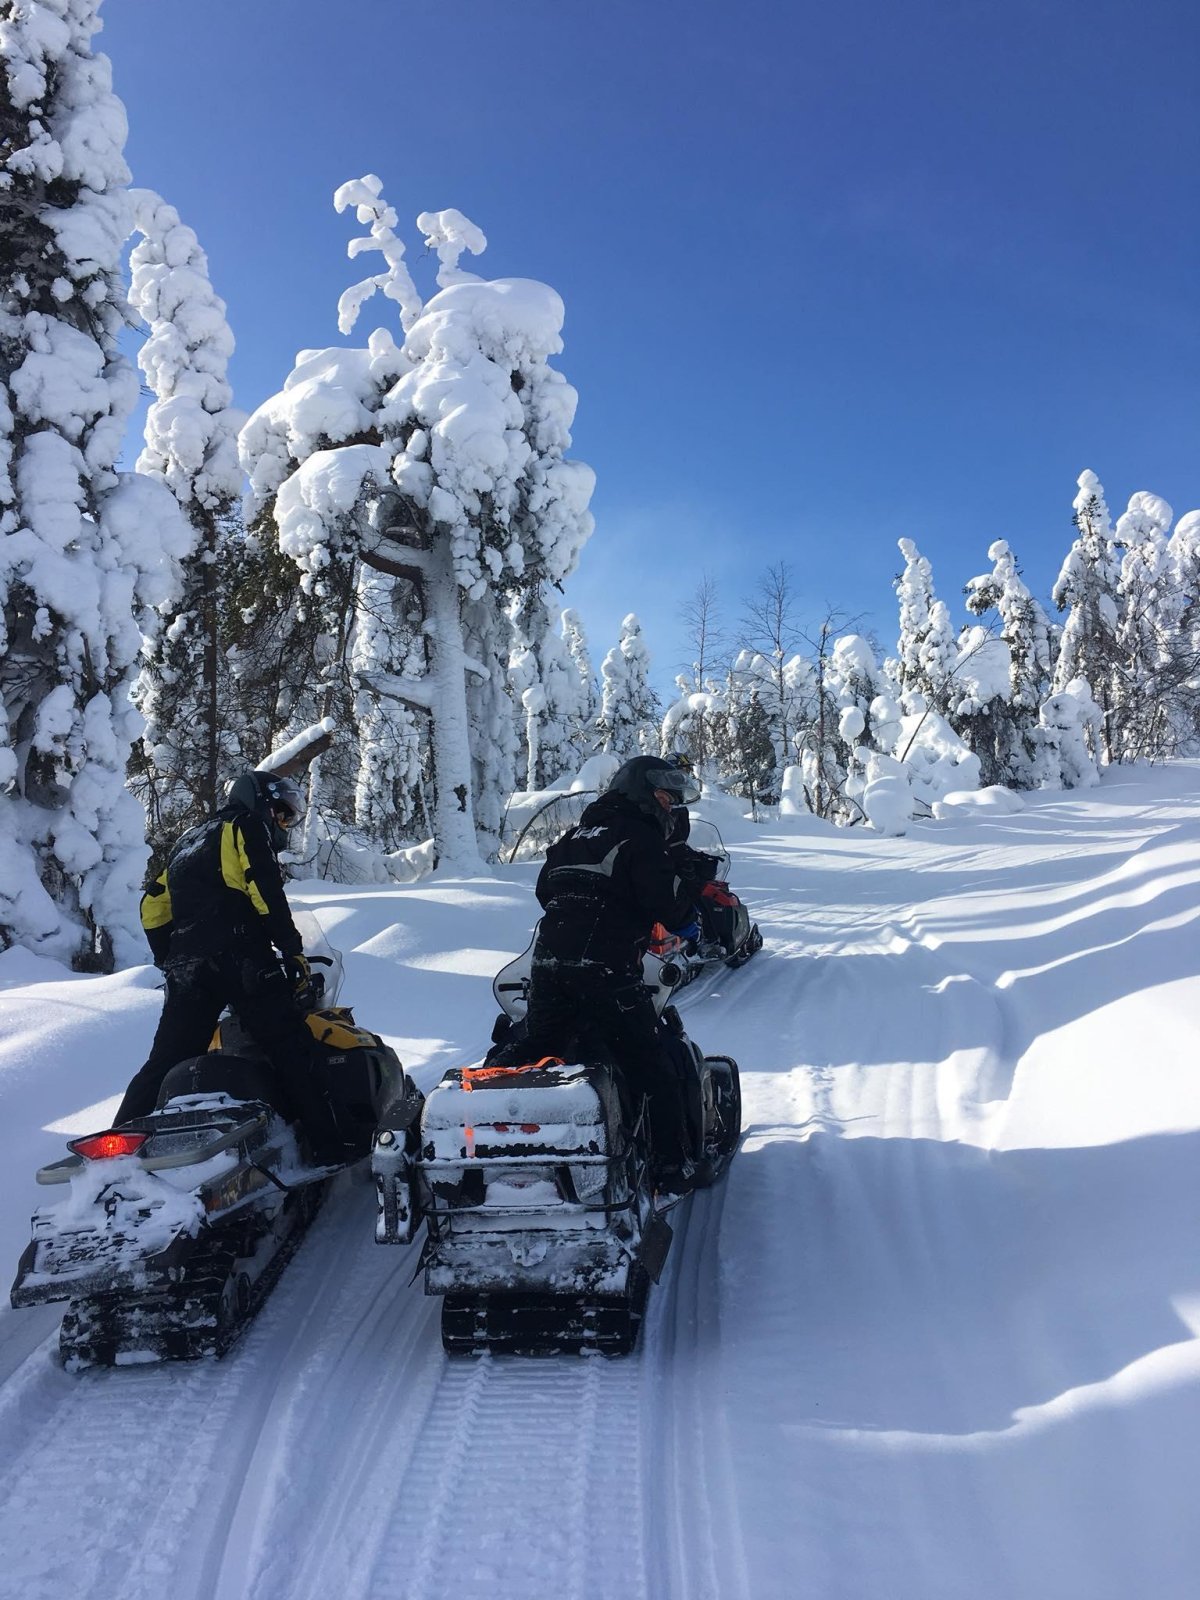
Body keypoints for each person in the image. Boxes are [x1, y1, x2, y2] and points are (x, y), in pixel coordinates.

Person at [115, 770, 344, 1160]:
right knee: (289, 1047)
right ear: (260, 802)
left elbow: (152, 907)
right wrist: (292, 951)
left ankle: (117, 1147)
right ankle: (328, 1147)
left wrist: (170, 958)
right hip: (242, 959)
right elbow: (264, 890)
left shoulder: (189, 840)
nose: (282, 823)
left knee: (166, 1061)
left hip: (188, 969)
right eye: (281, 814)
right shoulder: (245, 825)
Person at [516, 754, 705, 1189]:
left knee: (537, 1050)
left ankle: (503, 1139)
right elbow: (670, 905)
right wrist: (691, 911)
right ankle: (670, 1167)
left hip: (546, 963)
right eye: (665, 797)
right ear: (643, 793)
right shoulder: (638, 836)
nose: (670, 807)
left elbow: (546, 889)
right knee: (648, 1063)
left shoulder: (576, 835)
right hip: (604, 967)